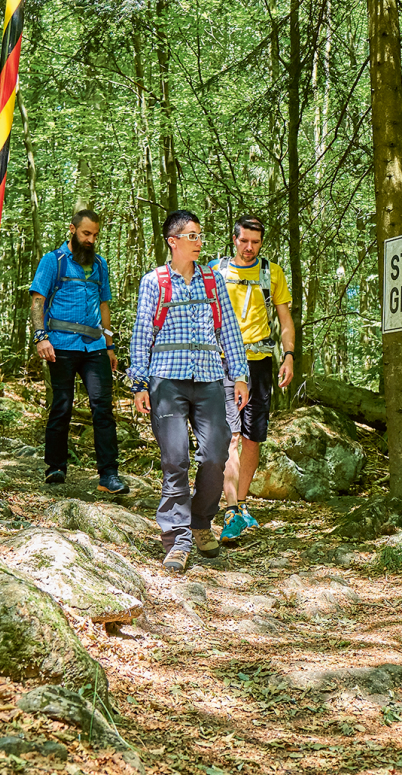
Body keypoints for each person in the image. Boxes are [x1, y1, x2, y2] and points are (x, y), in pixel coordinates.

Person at [127, 210, 250, 573]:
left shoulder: (212, 281)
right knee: (175, 459)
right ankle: (177, 540)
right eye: (192, 236)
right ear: (173, 241)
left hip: (210, 379)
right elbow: (142, 334)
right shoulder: (154, 282)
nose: (199, 242)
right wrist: (139, 383)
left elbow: (229, 330)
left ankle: (200, 520)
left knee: (215, 455)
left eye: (200, 236)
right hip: (167, 380)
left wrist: (239, 375)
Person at [211, 215, 296, 544]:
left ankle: (242, 503)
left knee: (252, 438)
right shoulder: (216, 272)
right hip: (223, 363)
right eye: (244, 241)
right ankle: (230, 510)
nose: (249, 247)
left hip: (259, 363)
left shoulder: (272, 273)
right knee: (231, 436)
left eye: (255, 242)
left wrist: (288, 355)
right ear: (234, 239)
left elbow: (285, 319)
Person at [29, 209, 126, 494]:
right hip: (61, 344)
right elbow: (38, 301)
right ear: (72, 229)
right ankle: (55, 467)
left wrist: (110, 344)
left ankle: (109, 475)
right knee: (62, 405)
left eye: (95, 235)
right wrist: (40, 337)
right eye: (86, 233)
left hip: (95, 347)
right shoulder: (53, 261)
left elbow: (104, 305)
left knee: (103, 409)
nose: (90, 239)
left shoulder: (100, 265)